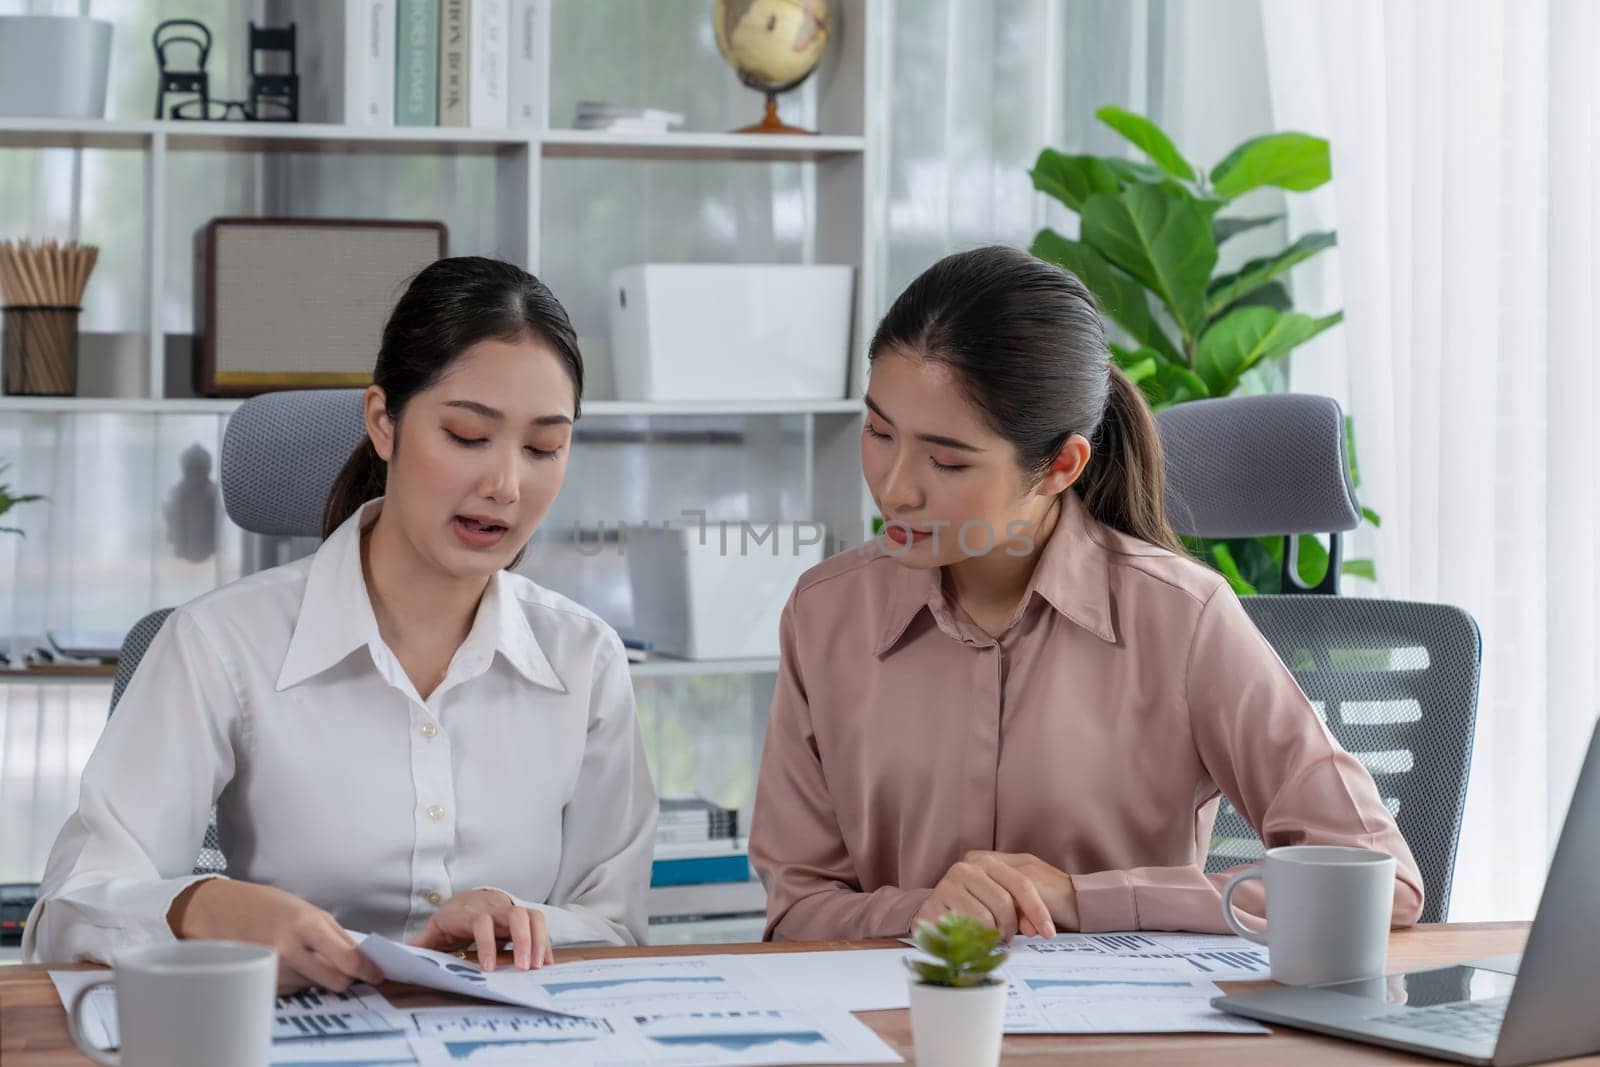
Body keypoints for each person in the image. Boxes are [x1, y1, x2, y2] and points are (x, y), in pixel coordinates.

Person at [749, 245, 1422, 942]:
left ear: (1061, 465)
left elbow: (1380, 877)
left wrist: (1081, 898)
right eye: (879, 432)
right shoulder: (826, 613)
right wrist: (919, 912)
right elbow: (797, 909)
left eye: (946, 460)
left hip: (1124, 1041)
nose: (894, 487)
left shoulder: (1180, 618)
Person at [24, 257, 657, 989]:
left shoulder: (584, 659)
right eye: (466, 435)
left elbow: (616, 926)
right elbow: (66, 913)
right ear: (383, 422)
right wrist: (209, 907)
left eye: (544, 448)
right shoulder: (221, 644)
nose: (507, 485)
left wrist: (516, 921)